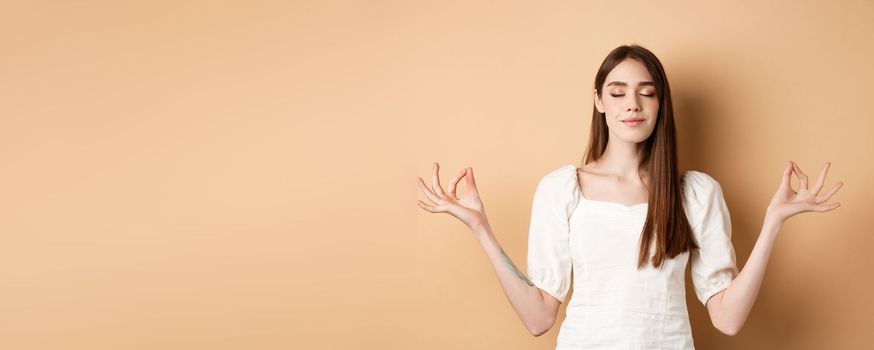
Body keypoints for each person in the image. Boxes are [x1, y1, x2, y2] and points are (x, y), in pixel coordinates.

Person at [414, 44, 843, 349]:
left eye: (647, 92)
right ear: (599, 101)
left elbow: (727, 319)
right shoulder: (561, 189)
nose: (632, 104)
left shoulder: (695, 193)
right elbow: (539, 317)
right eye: (617, 92)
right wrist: (480, 228)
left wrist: (773, 223)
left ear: (660, 106)